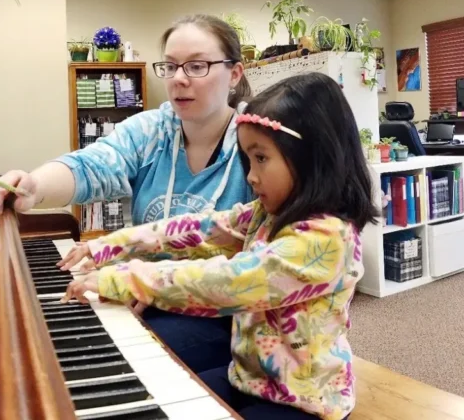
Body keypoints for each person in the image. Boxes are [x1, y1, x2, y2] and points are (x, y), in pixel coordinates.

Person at [59, 72, 379, 420]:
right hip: (248, 380)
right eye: (247, 159)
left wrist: (125, 278)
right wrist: (109, 246)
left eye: (261, 159)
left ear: (311, 157)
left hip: (304, 403)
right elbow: (200, 229)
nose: (251, 176)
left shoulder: (325, 238)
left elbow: (228, 281)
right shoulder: (268, 213)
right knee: (157, 398)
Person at [0, 14, 255, 373]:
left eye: (197, 66)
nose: (178, 79)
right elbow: (93, 164)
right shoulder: (152, 129)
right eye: (171, 66)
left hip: (225, 311)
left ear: (235, 74)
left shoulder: (257, 143)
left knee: (113, 363)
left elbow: (257, 262)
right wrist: (34, 188)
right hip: (142, 289)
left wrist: (146, 284)